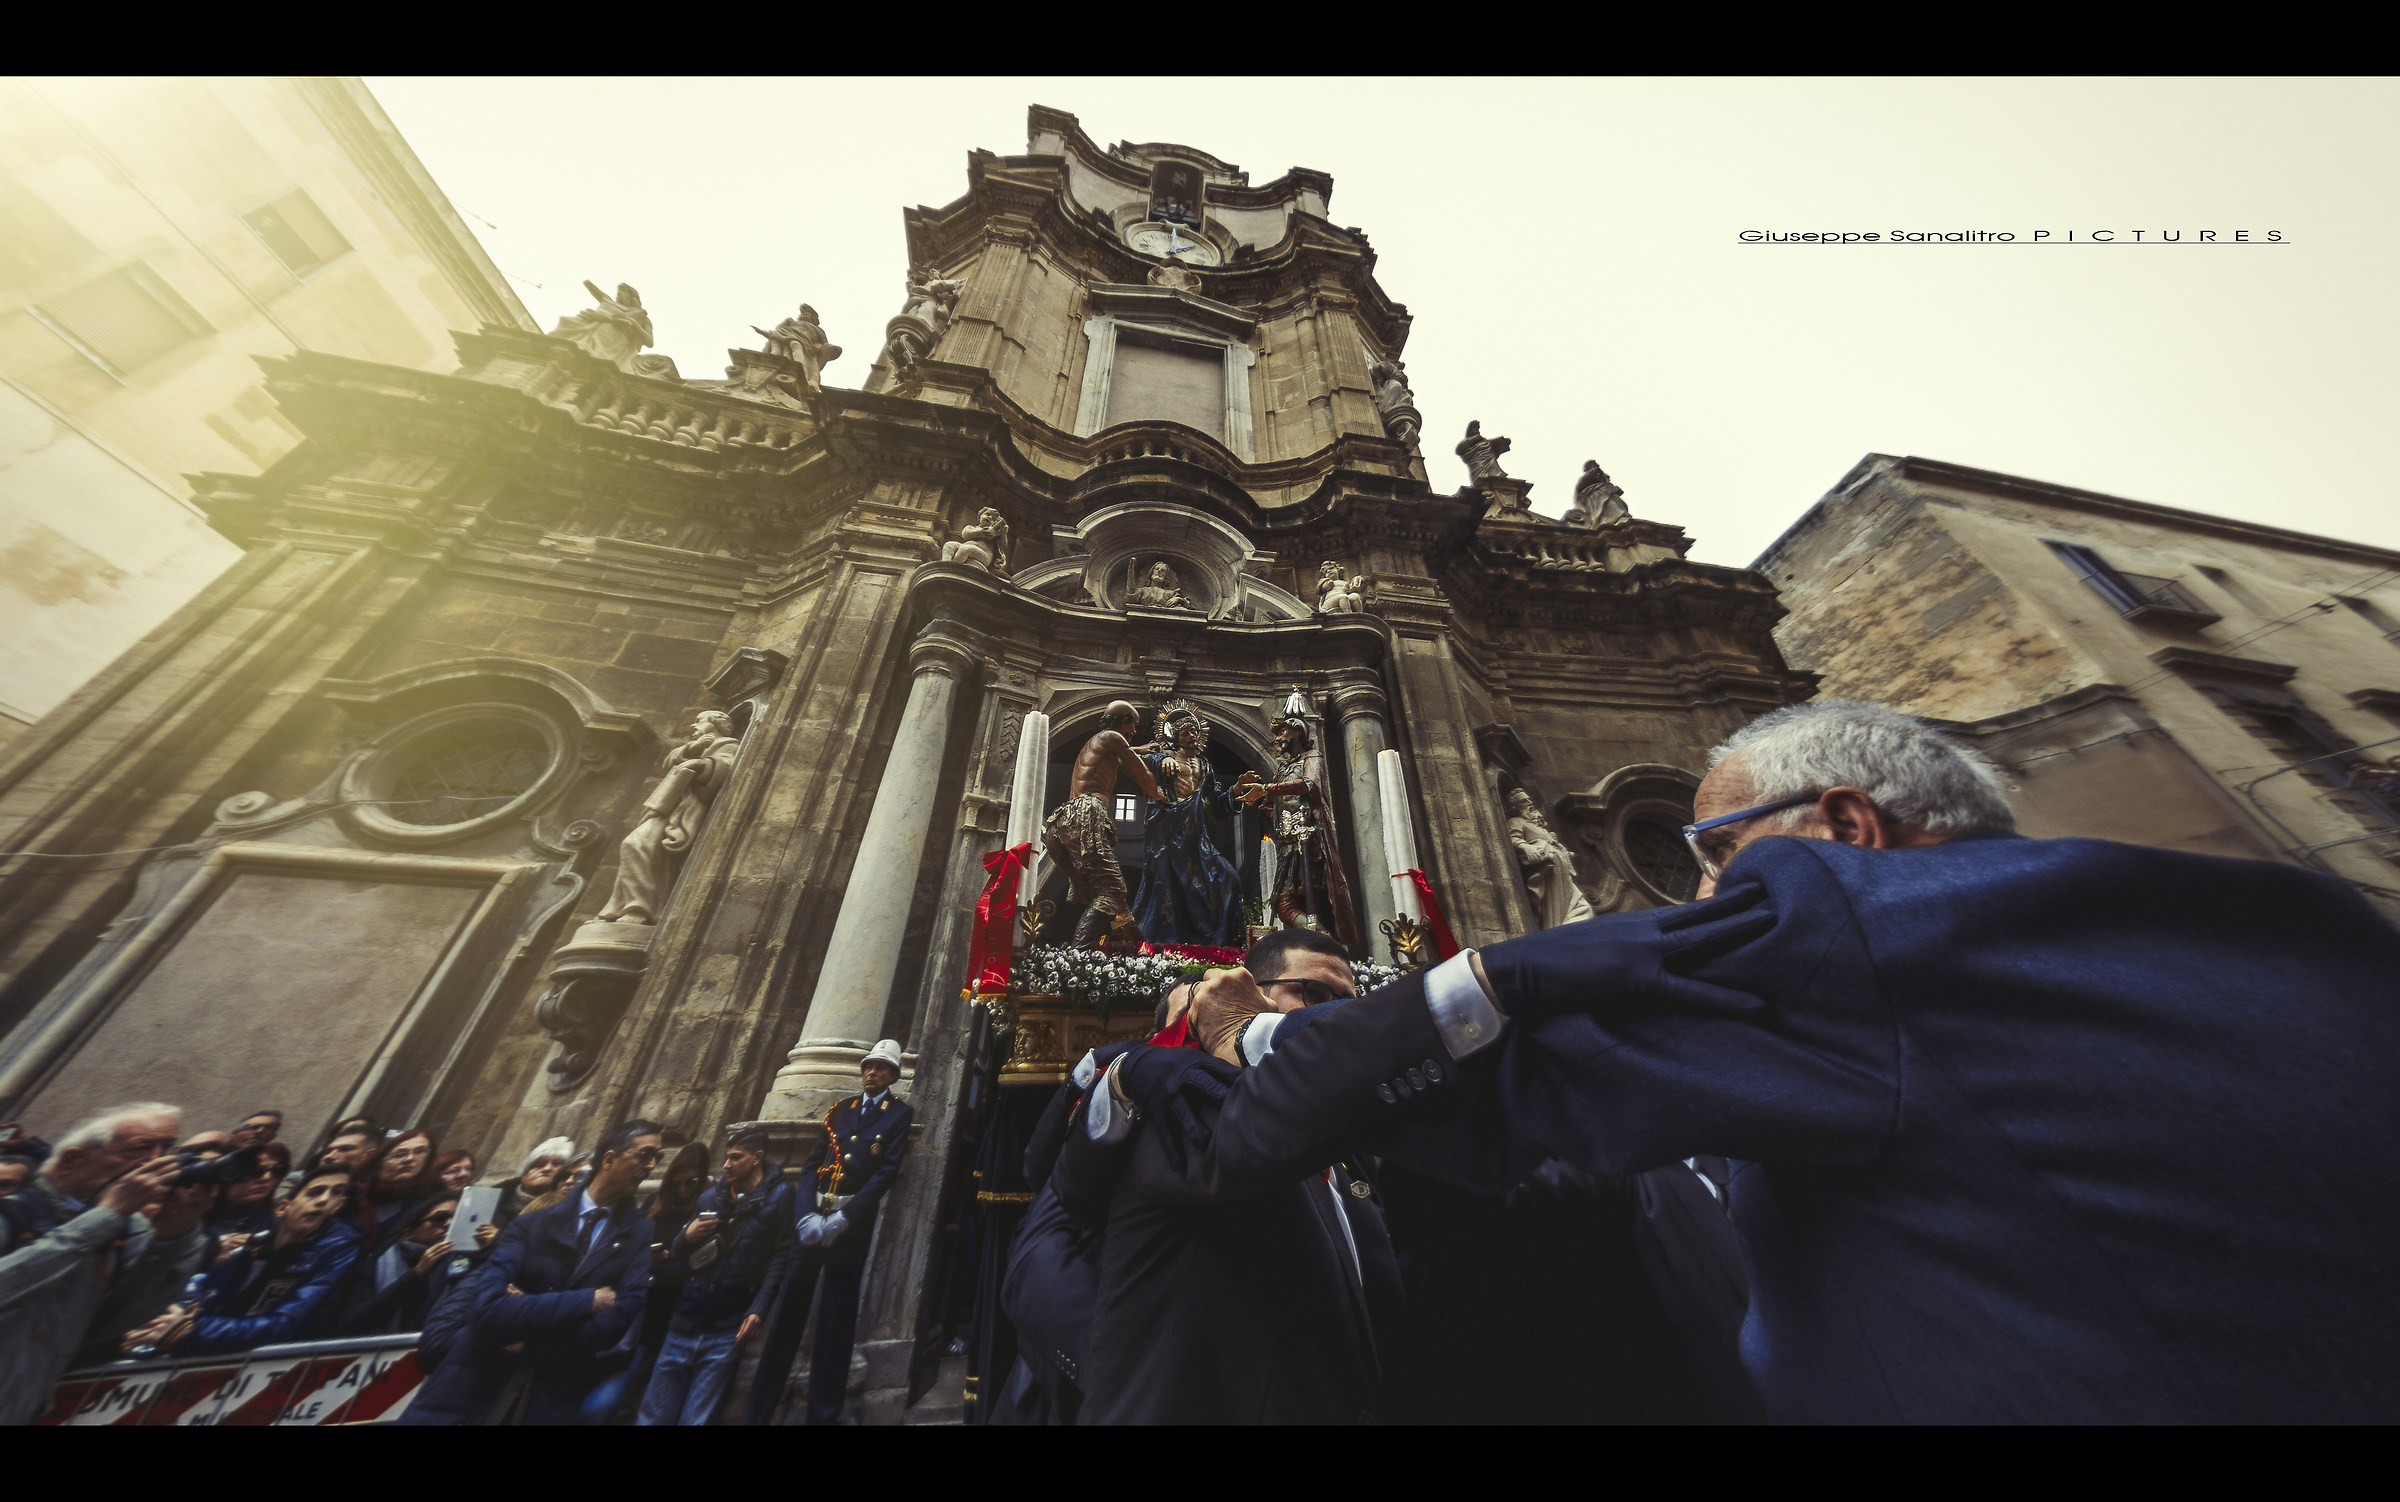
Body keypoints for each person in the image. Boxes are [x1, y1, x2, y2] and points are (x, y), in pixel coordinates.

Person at [1105, 699, 2400, 1424]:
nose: (1702, 891)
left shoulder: (1850, 937)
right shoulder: (2301, 926)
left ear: (1842, 828)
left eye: (1712, 853)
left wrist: (1251, 1035)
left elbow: (1515, 1031)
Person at [1054, 928, 1401, 1425]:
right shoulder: (1174, 1112)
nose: (1337, 1016)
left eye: (1350, 1001)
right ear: (1245, 992)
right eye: (1316, 995)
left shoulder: (1349, 1140)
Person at [400, 1120, 661, 1427]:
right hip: (469, 1387)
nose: (652, 1165)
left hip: (549, 1395)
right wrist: (586, 1301)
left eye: (657, 1157)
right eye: (645, 1155)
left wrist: (530, 1343)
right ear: (609, 1159)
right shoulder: (531, 1224)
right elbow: (488, 1310)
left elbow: (615, 1323)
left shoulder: (640, 1232)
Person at [0, 1102, 207, 1425]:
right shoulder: (13, 1213)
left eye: (168, 1149)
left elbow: (111, 1324)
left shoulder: (119, 1232)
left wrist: (174, 1235)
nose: (159, 1163)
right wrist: (105, 1217)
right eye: (140, 1149)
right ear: (72, 1161)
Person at [748, 1041, 914, 1425]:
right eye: (868, 1066)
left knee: (836, 1320)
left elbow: (886, 1172)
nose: (872, 1073)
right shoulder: (840, 1111)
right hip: (813, 1221)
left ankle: (824, 1411)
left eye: (880, 1068)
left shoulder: (898, 1115)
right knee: (789, 1311)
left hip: (848, 1227)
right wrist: (804, 1214)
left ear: (892, 1075)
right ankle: (761, 1407)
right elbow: (811, 1166)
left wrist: (847, 1217)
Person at [639, 1129, 794, 1425]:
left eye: (736, 1158)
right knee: (652, 1416)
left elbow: (781, 1255)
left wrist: (759, 1307)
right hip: (685, 1319)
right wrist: (685, 1236)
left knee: (697, 1418)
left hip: (727, 1325)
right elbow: (680, 1257)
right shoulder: (710, 1196)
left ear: (757, 1158)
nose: (726, 1165)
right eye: (726, 1157)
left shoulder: (780, 1195)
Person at [127, 1166, 361, 1356]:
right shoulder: (243, 1248)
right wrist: (155, 1327)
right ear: (282, 1208)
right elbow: (197, 1294)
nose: (324, 1201)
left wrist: (190, 1330)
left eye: (336, 1194)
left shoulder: (336, 1249)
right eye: (315, 1192)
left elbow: (286, 1324)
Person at [1043, 702, 1170, 948]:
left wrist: (1140, 749)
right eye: (1132, 728)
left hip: (1061, 823)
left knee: (1111, 899)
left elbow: (1122, 759)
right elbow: (1138, 770)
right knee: (1112, 891)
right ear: (1124, 722)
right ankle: (1081, 951)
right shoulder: (1112, 736)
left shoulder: (1098, 743)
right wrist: (1156, 793)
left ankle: (1137, 948)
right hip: (1086, 813)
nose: (1132, 733)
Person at [1232, 705, 1359, 949]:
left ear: (1297, 733)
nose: (1278, 738)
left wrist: (1267, 789)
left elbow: (1310, 785)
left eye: (1283, 732)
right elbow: (1276, 804)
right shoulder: (1282, 769)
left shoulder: (1311, 758)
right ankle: (1322, 942)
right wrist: (1264, 805)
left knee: (1294, 903)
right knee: (1290, 904)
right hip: (1288, 842)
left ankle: (1324, 941)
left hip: (1308, 840)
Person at [1129, 704, 1247, 946]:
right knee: (1168, 890)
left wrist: (1236, 791)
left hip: (1195, 836)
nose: (1192, 736)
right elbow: (1130, 759)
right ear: (1173, 736)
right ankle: (1165, 945)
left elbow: (1215, 804)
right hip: (1166, 835)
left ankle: (1220, 943)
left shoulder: (1205, 767)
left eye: (1194, 732)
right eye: (1185, 733)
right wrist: (1160, 758)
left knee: (1228, 879)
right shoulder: (1161, 758)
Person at [338, 1195, 468, 1335]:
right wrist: (416, 1274)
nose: (449, 1224)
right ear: (408, 1233)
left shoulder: (466, 1261)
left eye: (456, 1218)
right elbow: (353, 1323)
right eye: (439, 1219)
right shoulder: (373, 1265)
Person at [203, 1143, 291, 1253]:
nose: (267, 1177)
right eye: (257, 1171)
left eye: (277, 1170)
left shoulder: (275, 1223)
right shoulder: (195, 1208)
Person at [495, 1138, 574, 1230]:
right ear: (524, 1176)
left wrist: (498, 1237)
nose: (547, 1168)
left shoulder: (568, 1212)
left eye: (556, 1164)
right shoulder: (493, 1199)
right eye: (540, 1165)